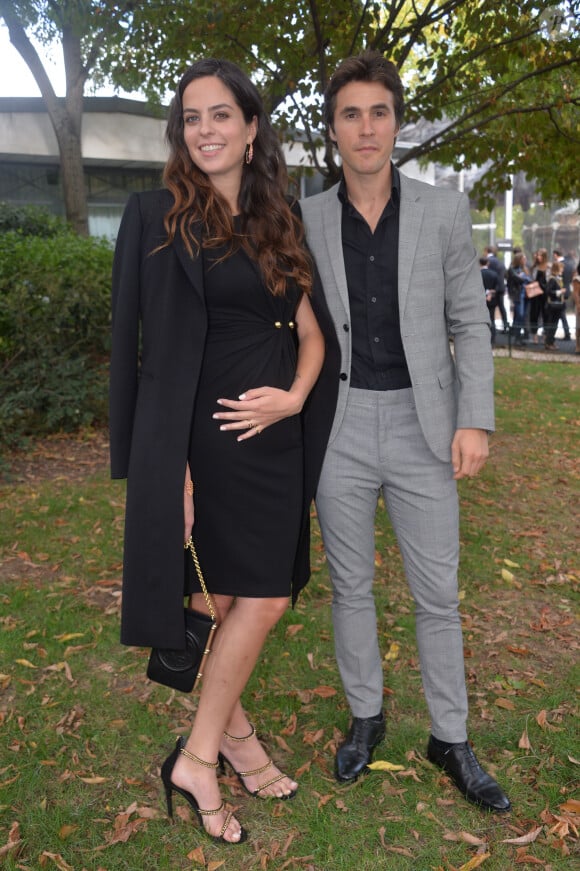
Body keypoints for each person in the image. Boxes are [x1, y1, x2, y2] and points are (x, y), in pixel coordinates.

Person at [109, 58, 339, 844]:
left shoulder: (281, 218)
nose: (204, 129)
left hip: (274, 439)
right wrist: (162, 463)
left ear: (249, 129)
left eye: (220, 116)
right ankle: (208, 753)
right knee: (224, 600)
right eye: (191, 117)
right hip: (200, 440)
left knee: (252, 597)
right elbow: (139, 351)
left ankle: (219, 744)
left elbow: (313, 335)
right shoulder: (154, 215)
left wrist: (298, 395)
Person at [299, 50, 510, 814]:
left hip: (426, 423)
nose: (366, 127)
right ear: (333, 129)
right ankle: (366, 717)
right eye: (350, 113)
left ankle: (450, 737)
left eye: (378, 112)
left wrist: (474, 418)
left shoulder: (443, 211)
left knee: (437, 593)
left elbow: (468, 322)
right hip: (341, 422)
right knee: (350, 585)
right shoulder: (308, 217)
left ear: (397, 122)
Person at [484, 245, 509, 332]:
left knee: (491, 310)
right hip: (501, 288)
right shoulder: (499, 261)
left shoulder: (488, 261)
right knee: (502, 308)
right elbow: (505, 274)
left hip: (492, 289)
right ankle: (505, 326)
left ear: (487, 251)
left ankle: (492, 329)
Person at [543, 258, 567, 350]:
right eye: (561, 268)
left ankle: (551, 342)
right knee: (552, 325)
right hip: (552, 306)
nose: (563, 270)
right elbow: (548, 291)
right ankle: (548, 343)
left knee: (554, 325)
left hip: (557, 306)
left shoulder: (557, 279)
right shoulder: (552, 279)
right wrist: (559, 292)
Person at [529, 248, 549, 344]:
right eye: (537, 255)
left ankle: (545, 336)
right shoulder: (534, 267)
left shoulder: (548, 267)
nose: (538, 257)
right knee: (534, 314)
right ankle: (535, 336)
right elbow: (532, 279)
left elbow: (550, 281)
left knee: (546, 315)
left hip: (545, 294)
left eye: (540, 255)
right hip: (536, 294)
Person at [552, 249, 572, 341]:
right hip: (567, 290)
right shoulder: (569, 264)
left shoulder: (559, 265)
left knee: (560, 313)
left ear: (555, 255)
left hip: (560, 291)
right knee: (561, 313)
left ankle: (551, 334)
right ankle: (566, 332)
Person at [479, 256, 499, 344]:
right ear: (488, 263)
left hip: (480, 300)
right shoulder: (494, 274)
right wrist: (491, 294)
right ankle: (493, 338)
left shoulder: (477, 274)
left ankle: (482, 338)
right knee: (492, 319)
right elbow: (498, 288)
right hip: (492, 300)